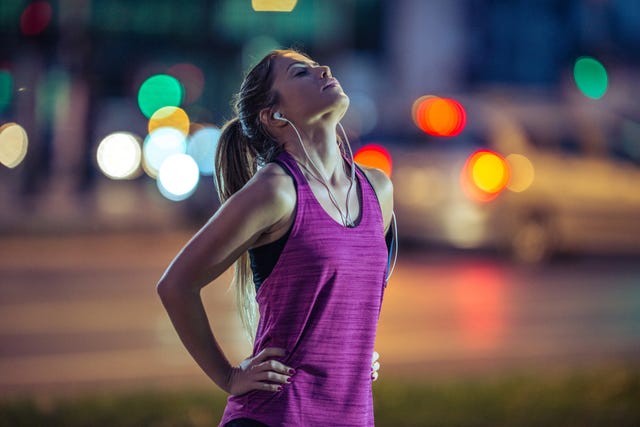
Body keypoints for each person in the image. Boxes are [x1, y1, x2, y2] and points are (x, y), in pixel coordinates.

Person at [156, 49, 395, 427]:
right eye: (301, 72)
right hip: (277, 415)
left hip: (352, 415)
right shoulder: (275, 191)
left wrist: (353, 347)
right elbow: (176, 285)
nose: (323, 69)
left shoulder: (377, 189)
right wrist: (229, 377)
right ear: (274, 116)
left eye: (315, 65)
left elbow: (352, 298)